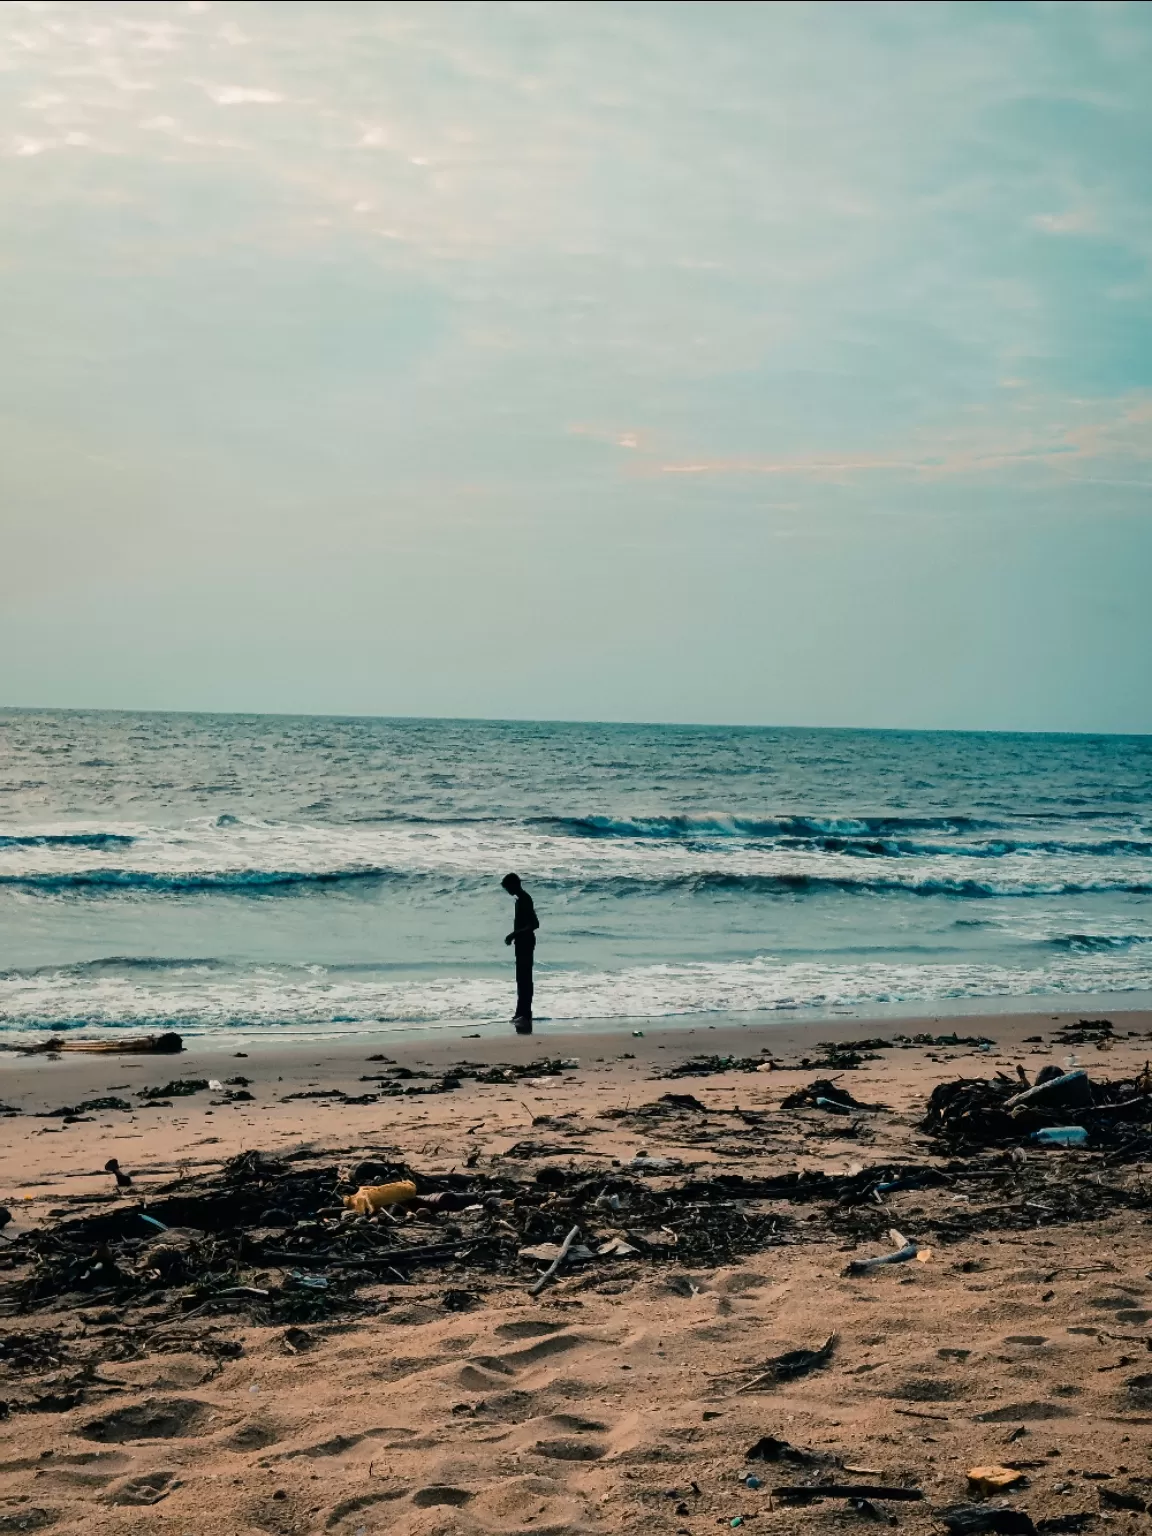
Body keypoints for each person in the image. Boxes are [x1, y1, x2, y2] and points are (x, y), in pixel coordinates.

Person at [501, 872, 539, 1033]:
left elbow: (534, 924)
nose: (507, 890)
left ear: (514, 884)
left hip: (526, 942)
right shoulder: (520, 900)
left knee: (524, 979)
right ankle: (521, 1012)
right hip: (522, 943)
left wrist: (514, 934)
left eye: (508, 887)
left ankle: (525, 1013)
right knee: (521, 978)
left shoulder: (525, 899)